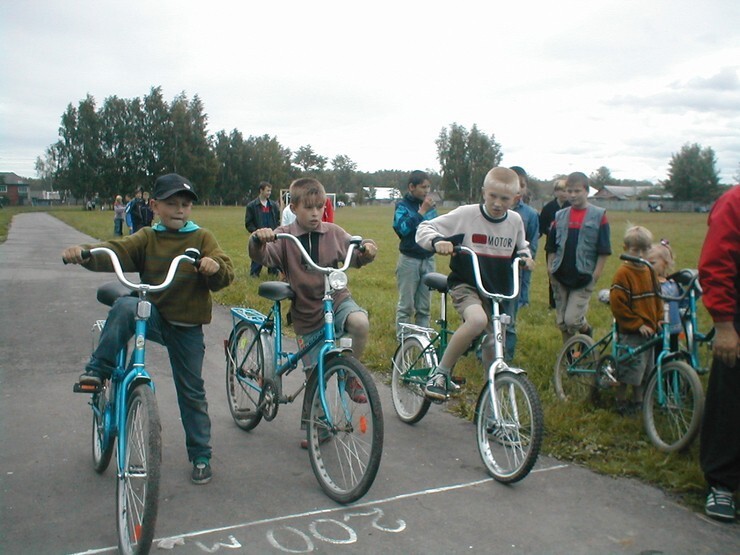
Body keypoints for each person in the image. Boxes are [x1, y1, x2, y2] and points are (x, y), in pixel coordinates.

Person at [62, 173, 235, 485]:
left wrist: (214, 267)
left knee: (192, 391)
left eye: (185, 204)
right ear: (155, 206)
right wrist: (85, 253)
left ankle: (200, 454)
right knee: (127, 305)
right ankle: (98, 368)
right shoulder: (147, 237)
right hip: (151, 315)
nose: (180, 210)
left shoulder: (201, 238)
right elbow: (115, 249)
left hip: (186, 324)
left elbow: (224, 270)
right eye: (171, 204)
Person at [248, 177, 378, 447]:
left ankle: (350, 375)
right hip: (306, 312)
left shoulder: (333, 231)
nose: (316, 213)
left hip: (336, 301)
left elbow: (356, 254)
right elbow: (263, 255)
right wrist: (259, 240)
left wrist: (367, 250)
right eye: (309, 208)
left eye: (320, 207)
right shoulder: (284, 236)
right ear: (293, 207)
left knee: (360, 322)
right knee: (314, 375)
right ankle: (317, 427)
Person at [416, 167, 534, 400]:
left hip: (496, 291)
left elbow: (522, 246)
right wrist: (438, 241)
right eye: (493, 196)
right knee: (477, 321)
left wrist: (525, 258)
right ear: (483, 192)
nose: (498, 203)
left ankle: (493, 411)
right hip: (467, 285)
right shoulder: (467, 215)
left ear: (516, 199)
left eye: (505, 198)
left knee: (493, 347)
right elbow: (424, 228)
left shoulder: (515, 221)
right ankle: (440, 373)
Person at [698, 185, 740, 523]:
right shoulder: (735, 201)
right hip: (736, 317)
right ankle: (722, 483)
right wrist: (725, 325)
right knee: (731, 398)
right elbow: (716, 263)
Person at [546, 172, 611, 344]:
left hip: (583, 276)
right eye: (569, 191)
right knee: (562, 322)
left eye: (577, 191)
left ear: (587, 191)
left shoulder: (598, 216)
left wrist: (595, 275)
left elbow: (604, 250)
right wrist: (550, 268)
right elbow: (551, 246)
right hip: (560, 274)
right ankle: (569, 357)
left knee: (572, 320)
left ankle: (586, 331)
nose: (572, 195)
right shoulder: (560, 216)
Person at [609, 226, 662, 416]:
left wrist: (659, 320)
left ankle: (638, 400)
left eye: (645, 250)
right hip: (632, 332)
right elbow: (618, 305)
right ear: (626, 248)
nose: (640, 254)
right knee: (629, 370)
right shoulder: (623, 273)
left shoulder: (649, 271)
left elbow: (657, 298)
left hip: (649, 331)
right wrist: (637, 324)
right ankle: (621, 400)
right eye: (635, 250)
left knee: (645, 369)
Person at [392, 170, 438, 338]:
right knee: (406, 306)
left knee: (424, 307)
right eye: (423, 187)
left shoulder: (431, 207)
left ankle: (422, 341)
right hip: (409, 260)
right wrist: (421, 213)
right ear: (411, 187)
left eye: (428, 187)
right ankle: (403, 341)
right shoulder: (402, 206)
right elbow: (402, 229)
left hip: (428, 259)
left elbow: (434, 228)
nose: (426, 191)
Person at [506, 166, 539, 362]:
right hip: (491, 270)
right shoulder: (492, 209)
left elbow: (532, 241)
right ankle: (482, 355)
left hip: (515, 270)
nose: (518, 190)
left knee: (509, 319)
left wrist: (526, 260)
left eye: (522, 185)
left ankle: (506, 358)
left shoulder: (530, 214)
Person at [539, 179, 570, 309]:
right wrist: (551, 232)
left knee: (567, 272)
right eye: (560, 190)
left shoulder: (571, 207)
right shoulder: (548, 208)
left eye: (565, 190)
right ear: (555, 192)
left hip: (568, 246)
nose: (563, 193)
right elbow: (542, 225)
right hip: (552, 246)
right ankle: (553, 303)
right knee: (552, 273)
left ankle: (567, 301)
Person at [647, 239, 682, 353]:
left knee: (672, 353)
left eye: (652, 263)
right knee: (657, 356)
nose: (648, 267)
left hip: (673, 329)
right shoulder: (648, 284)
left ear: (665, 263)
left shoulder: (672, 283)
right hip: (657, 329)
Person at [244, 181, 280, 277]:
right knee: (258, 254)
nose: (269, 193)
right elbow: (248, 222)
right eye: (267, 190)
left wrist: (275, 231)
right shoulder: (251, 206)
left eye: (270, 191)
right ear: (261, 190)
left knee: (272, 253)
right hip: (259, 236)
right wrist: (256, 233)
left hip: (271, 235)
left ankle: (273, 273)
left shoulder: (274, 206)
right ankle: (255, 273)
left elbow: (277, 220)